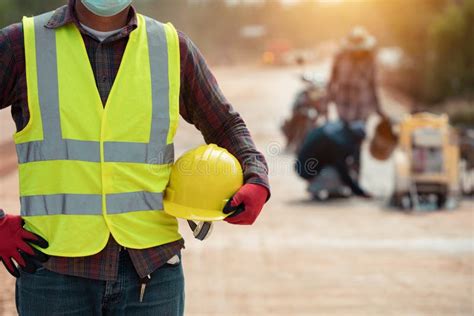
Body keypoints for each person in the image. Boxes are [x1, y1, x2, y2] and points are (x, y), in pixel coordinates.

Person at [0, 1, 270, 315]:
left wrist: (256, 177)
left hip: (152, 273)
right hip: (55, 275)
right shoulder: (22, 45)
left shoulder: (171, 48)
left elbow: (225, 124)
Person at [322, 26, 383, 123]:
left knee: (358, 133)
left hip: (363, 106)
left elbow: (374, 85)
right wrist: (326, 101)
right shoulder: (340, 57)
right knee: (343, 135)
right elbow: (332, 80)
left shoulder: (370, 59)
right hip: (343, 104)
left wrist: (379, 109)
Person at [295, 121, 371, 198]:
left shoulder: (336, 132)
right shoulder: (340, 142)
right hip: (305, 169)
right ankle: (315, 187)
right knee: (338, 172)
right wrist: (359, 192)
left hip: (304, 166)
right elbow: (342, 171)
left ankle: (331, 190)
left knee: (340, 169)